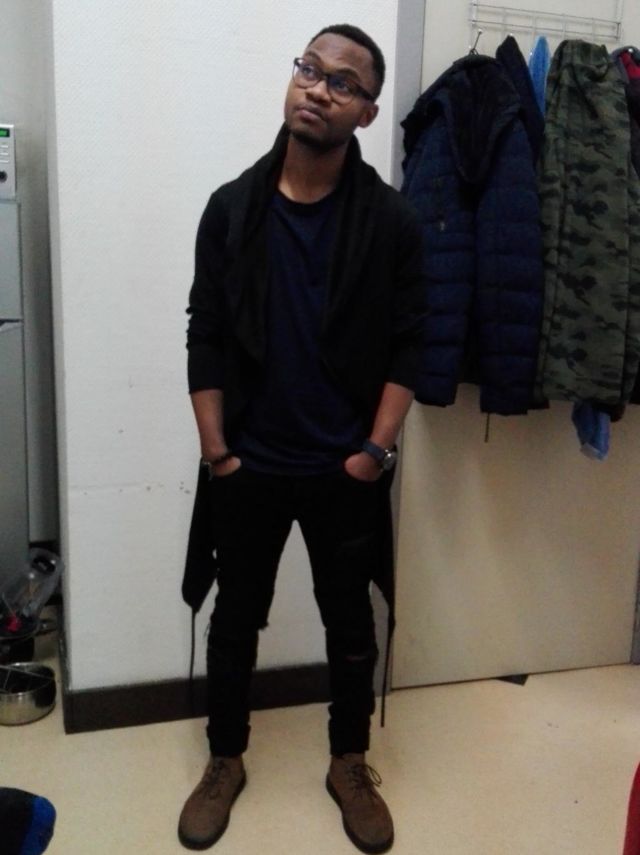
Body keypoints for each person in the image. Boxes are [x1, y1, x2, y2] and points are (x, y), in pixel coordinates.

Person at [179, 23, 424, 854]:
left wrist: (374, 452)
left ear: (367, 112)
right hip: (248, 462)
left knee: (350, 625)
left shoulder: (389, 222)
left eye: (343, 82)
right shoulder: (232, 209)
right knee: (234, 621)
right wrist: (218, 452)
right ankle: (224, 757)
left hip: (342, 467)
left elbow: (409, 345)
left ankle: (348, 761)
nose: (318, 88)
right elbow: (205, 332)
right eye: (310, 69)